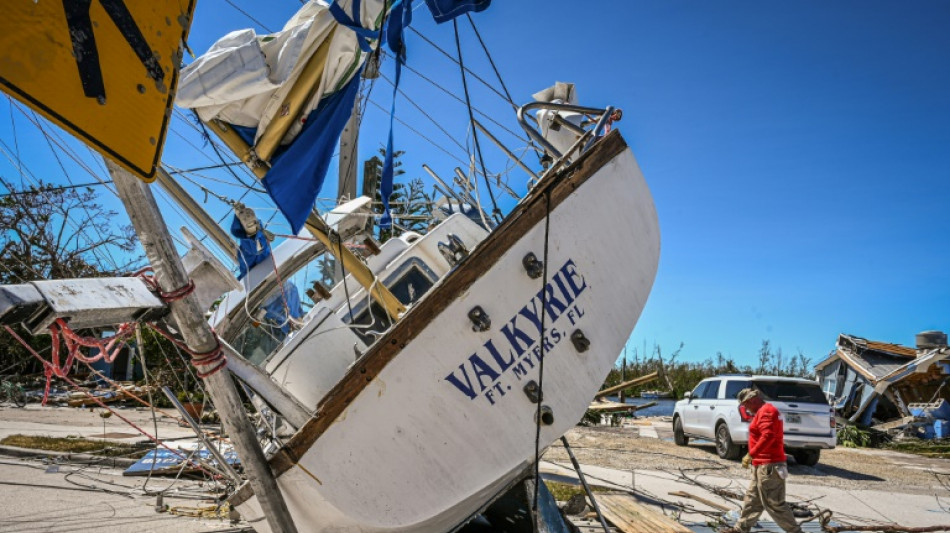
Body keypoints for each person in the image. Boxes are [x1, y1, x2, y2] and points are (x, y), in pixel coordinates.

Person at [721, 388, 804, 533]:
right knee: (752, 501)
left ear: (752, 400)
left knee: (774, 504)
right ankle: (740, 529)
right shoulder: (763, 411)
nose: (745, 408)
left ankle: (795, 532)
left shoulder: (767, 411)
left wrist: (751, 454)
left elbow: (768, 436)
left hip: (769, 465)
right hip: (762, 464)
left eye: (745, 405)